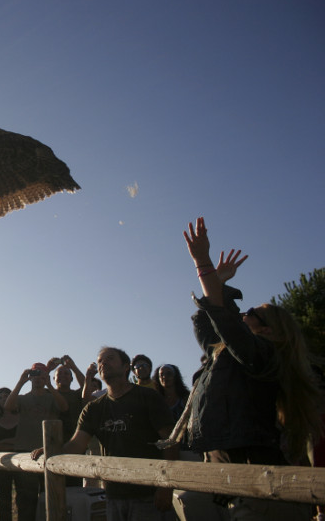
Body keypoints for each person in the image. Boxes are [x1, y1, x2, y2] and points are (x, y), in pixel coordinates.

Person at [183, 217, 321, 520]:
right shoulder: (225, 353)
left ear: (272, 330)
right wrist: (215, 283)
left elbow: (228, 326)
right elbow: (207, 324)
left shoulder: (266, 355)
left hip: (255, 473)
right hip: (223, 465)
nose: (246, 313)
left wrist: (203, 264)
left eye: (254, 314)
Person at [59, 347, 178, 520]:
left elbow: (170, 441)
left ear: (125, 367)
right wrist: (50, 450)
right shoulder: (93, 409)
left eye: (110, 358)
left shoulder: (148, 397)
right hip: (113, 495)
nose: (103, 363)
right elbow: (76, 444)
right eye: (100, 361)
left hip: (149, 495)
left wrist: (166, 487)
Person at [4, 362, 68, 521]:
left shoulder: (51, 397)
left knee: (51, 494)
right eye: (35, 375)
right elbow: (8, 406)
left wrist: (50, 386)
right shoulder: (23, 398)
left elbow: (64, 407)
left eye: (42, 375)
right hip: (25, 450)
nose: (38, 379)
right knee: (26, 497)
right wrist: (20, 382)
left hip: (48, 450)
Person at [50, 355, 86, 487]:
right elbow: (38, 383)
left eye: (67, 373)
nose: (63, 376)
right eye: (60, 374)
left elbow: (86, 385)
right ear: (54, 378)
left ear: (72, 378)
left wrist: (74, 367)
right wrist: (48, 369)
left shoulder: (77, 395)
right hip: (51, 443)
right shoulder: (48, 393)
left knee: (74, 486)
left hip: (74, 443)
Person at [0, 387, 18, 521]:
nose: (4, 399)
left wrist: (6, 441)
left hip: (22, 462)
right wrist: (14, 443)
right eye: (1, 397)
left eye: (7, 396)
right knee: (4, 498)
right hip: (1, 463)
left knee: (24, 497)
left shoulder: (21, 417)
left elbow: (24, 440)